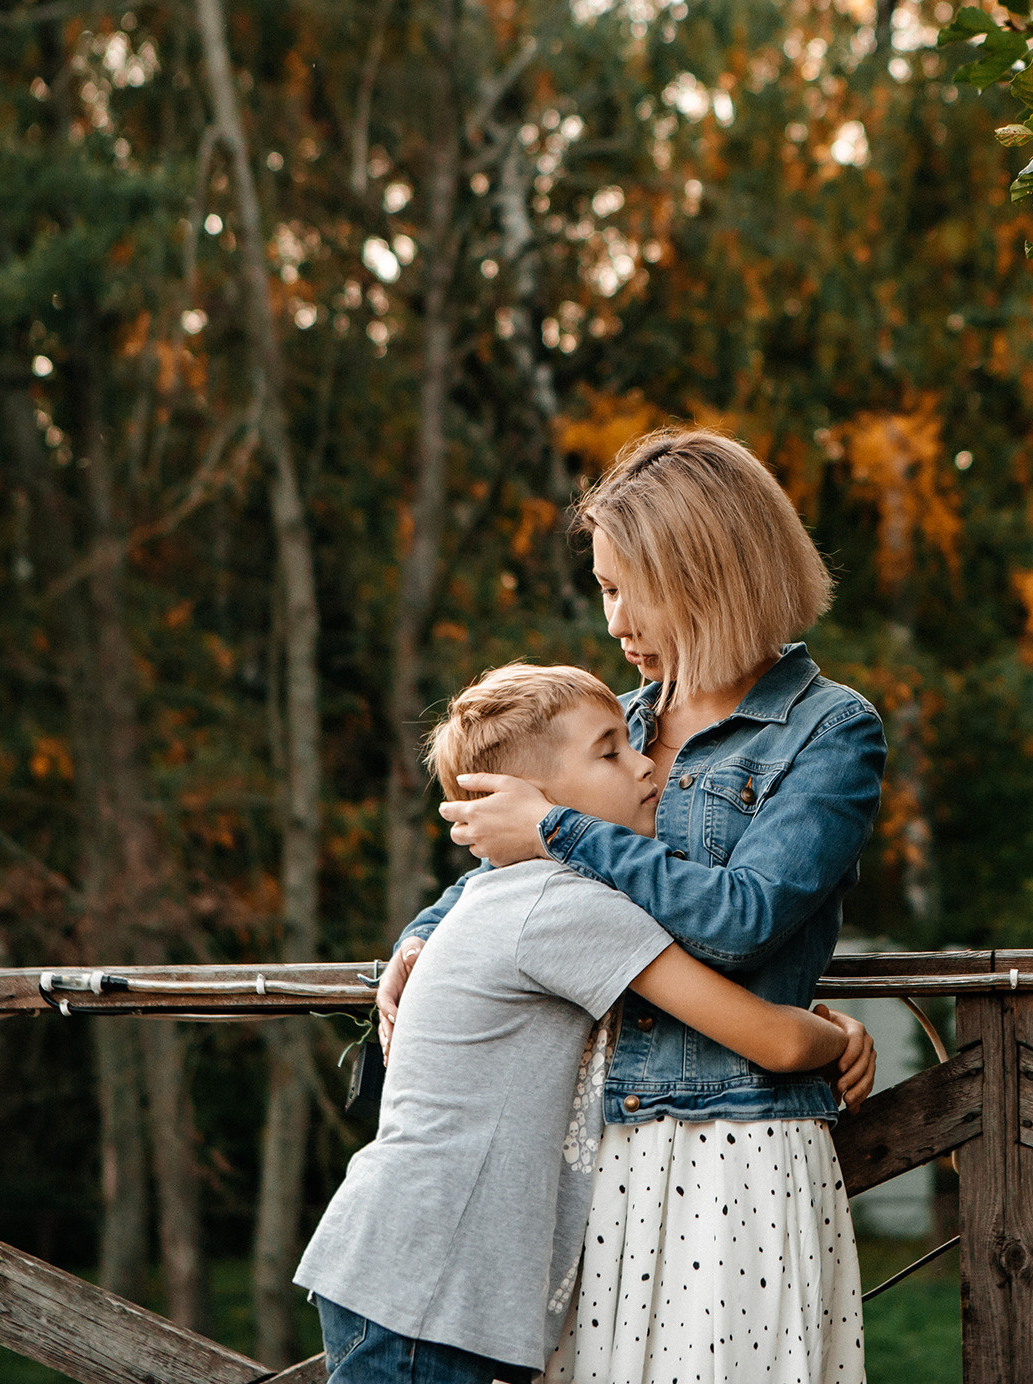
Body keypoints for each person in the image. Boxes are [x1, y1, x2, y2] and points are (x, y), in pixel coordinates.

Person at [379, 427, 887, 1384]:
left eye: (621, 587)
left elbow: (744, 921)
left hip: (737, 1152)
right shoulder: (617, 718)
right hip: (591, 1151)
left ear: (699, 573)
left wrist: (563, 832)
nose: (610, 619)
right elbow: (496, 880)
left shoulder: (829, 732)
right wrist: (412, 950)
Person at [297, 662, 874, 1384]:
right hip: (429, 1286)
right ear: (530, 803)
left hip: (413, 1273)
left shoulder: (522, 894)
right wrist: (840, 1036)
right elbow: (780, 1041)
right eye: (610, 751)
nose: (644, 763)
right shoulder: (567, 906)